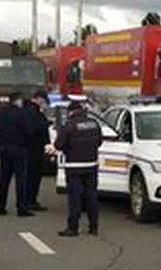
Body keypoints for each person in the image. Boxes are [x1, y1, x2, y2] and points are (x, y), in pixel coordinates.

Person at [54, 100, 103, 237]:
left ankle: (73, 228)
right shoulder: (94, 123)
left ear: (70, 112)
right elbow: (99, 142)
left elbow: (58, 145)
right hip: (91, 165)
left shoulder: (68, 126)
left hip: (74, 167)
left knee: (74, 198)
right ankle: (93, 227)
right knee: (92, 197)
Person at [0, 92, 33, 217]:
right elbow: (29, 131)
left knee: (3, 178)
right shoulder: (23, 114)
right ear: (18, 101)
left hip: (5, 147)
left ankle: (0, 206)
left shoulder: (1, 113)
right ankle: (21, 208)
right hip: (19, 148)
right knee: (21, 179)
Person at [23, 91, 51, 211]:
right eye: (43, 101)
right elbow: (33, 129)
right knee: (32, 176)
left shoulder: (31, 111)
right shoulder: (32, 112)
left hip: (31, 148)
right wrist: (45, 124)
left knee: (31, 176)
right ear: (38, 99)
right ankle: (30, 201)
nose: (44, 104)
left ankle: (30, 200)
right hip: (33, 149)